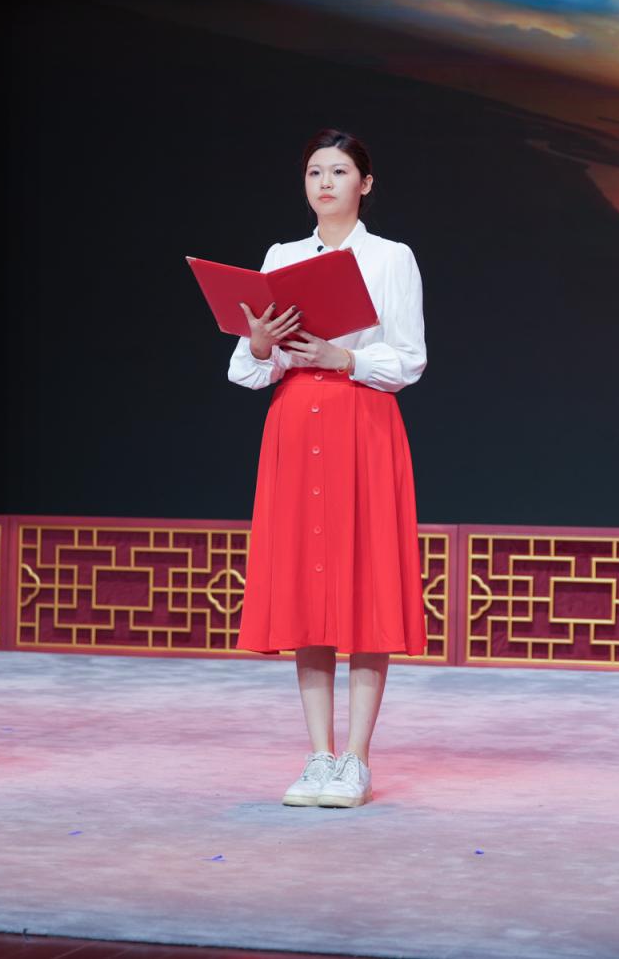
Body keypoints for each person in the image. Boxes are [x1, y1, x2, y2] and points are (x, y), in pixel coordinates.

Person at [228, 129, 427, 808]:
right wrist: (261, 343)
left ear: (364, 184)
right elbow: (247, 368)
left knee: (365, 582)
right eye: (315, 172)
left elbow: (409, 357)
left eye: (339, 172)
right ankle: (318, 755)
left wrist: (348, 358)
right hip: (294, 418)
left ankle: (356, 759)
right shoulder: (282, 256)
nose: (325, 183)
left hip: (360, 418)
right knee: (306, 587)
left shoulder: (392, 257)